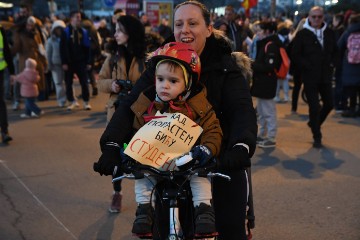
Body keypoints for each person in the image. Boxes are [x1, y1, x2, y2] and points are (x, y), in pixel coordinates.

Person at [93, 1, 257, 239]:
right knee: (160, 228)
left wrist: (241, 146)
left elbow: (242, 110)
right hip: (167, 162)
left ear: (209, 29)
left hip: (217, 156)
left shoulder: (225, 65)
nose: (185, 30)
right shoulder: (162, 63)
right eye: (179, 24)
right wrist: (110, 144)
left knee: (229, 227)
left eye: (193, 23)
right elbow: (131, 104)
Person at [129, 42, 221, 237]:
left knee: (200, 177)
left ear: (187, 84)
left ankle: (203, 211)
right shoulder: (147, 104)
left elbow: (213, 130)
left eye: (173, 81)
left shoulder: (198, 105)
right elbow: (136, 130)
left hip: (188, 160)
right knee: (143, 177)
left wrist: (206, 149)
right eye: (160, 79)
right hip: (155, 162)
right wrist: (129, 148)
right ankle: (144, 210)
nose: (165, 85)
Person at [97, 15, 147, 213]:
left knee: (140, 160)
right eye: (115, 30)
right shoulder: (113, 57)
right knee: (115, 157)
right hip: (117, 114)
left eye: (119, 30)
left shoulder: (146, 58)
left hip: (139, 115)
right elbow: (100, 81)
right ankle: (117, 193)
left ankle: (145, 203)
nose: (115, 34)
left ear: (130, 33)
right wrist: (113, 85)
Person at [291, 6, 337, 148]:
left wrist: (333, 64)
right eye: (314, 16)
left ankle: (314, 123)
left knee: (329, 104)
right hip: (310, 76)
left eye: (319, 16)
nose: (317, 19)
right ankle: (317, 135)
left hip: (325, 76)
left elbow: (336, 51)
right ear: (309, 18)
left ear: (323, 17)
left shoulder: (329, 32)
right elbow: (294, 54)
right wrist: (306, 65)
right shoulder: (302, 34)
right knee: (314, 106)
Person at [251, 21, 282, 148]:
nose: (257, 33)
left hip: (267, 82)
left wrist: (252, 64)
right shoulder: (266, 44)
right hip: (262, 82)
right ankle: (262, 135)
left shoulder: (271, 45)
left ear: (268, 31)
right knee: (262, 111)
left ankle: (271, 137)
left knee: (268, 111)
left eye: (260, 30)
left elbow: (270, 66)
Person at [11, 16, 48, 105]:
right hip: (25, 61)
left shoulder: (36, 33)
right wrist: (9, 53)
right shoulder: (19, 34)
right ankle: (29, 106)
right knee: (26, 83)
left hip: (36, 61)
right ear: (25, 25)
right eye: (28, 25)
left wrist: (44, 61)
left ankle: (31, 106)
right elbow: (16, 47)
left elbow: (40, 47)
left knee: (35, 85)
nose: (30, 27)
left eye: (32, 25)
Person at [60, 10, 91, 111]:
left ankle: (86, 102)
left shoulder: (84, 32)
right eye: (77, 17)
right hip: (69, 62)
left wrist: (88, 62)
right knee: (68, 83)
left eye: (80, 17)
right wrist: (64, 62)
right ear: (71, 18)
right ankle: (72, 101)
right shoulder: (65, 32)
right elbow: (62, 48)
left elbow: (88, 48)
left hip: (81, 61)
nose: (79, 19)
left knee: (84, 82)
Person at [337, 13, 360, 117]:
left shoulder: (347, 33)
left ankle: (351, 109)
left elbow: (339, 47)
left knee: (352, 90)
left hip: (349, 66)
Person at [46, 20, 67, 108]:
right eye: (57, 29)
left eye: (60, 29)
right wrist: (49, 65)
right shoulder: (50, 40)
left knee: (68, 82)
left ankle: (71, 98)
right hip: (56, 64)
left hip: (66, 63)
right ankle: (61, 100)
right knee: (58, 83)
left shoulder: (66, 39)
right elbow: (48, 53)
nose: (59, 31)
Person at [0, 25, 15, 143]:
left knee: (1, 102)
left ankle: (4, 131)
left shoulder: (1, 30)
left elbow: (6, 51)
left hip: (0, 70)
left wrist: (12, 72)